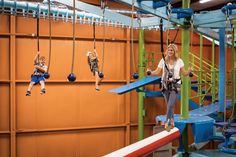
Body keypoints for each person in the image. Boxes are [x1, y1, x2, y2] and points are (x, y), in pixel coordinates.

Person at [147, 43, 192, 130]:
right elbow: (157, 71)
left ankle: (167, 121)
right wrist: (150, 72)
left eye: (172, 50)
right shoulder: (163, 60)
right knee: (169, 104)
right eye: (169, 50)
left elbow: (184, 73)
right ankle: (172, 119)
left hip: (175, 85)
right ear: (167, 51)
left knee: (171, 104)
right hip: (165, 84)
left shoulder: (179, 61)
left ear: (175, 51)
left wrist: (189, 71)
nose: (170, 52)